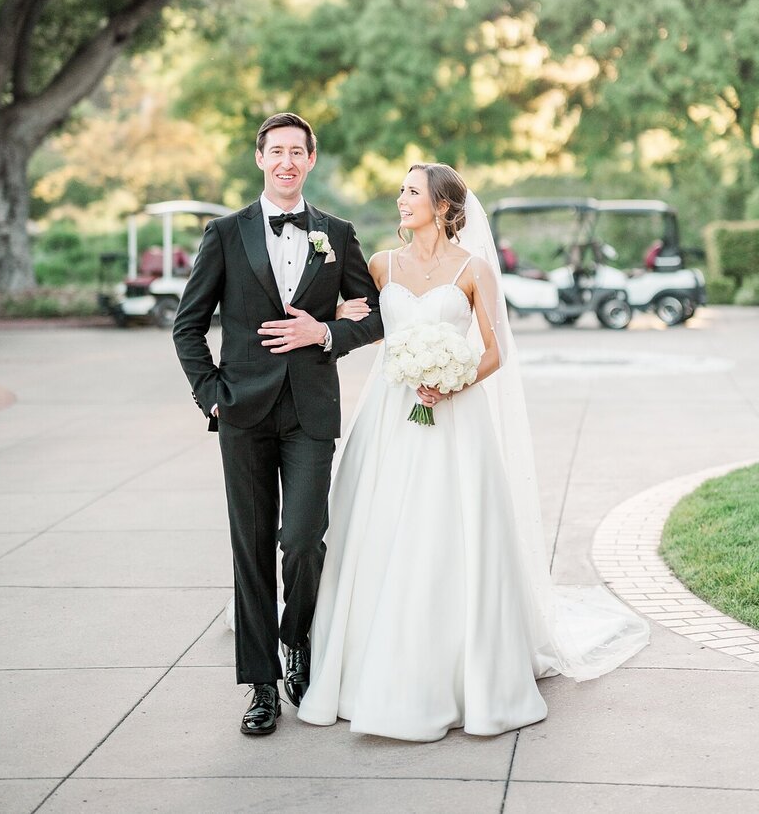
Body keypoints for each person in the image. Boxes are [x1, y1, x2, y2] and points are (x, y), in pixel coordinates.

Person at [298, 163, 649, 742]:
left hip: (454, 418)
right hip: (389, 416)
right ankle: (363, 669)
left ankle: (459, 674)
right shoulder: (381, 266)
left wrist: (452, 380)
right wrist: (322, 326)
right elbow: (361, 324)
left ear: (441, 206)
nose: (401, 198)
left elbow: (495, 351)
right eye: (403, 190)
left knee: (446, 536)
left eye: (412, 191)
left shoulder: (472, 270)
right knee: (377, 530)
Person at [172, 112, 383, 736]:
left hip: (311, 411)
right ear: (260, 158)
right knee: (252, 548)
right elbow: (188, 325)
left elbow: (377, 317)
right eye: (277, 151)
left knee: (302, 540)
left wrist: (326, 332)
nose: (288, 161)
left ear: (311, 161)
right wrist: (210, 394)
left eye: (299, 151)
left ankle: (299, 640)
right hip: (242, 411)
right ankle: (261, 684)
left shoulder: (337, 235)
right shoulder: (224, 233)